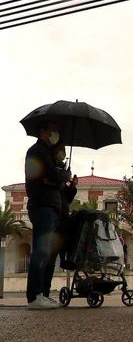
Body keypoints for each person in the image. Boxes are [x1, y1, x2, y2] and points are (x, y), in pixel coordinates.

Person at [24, 121, 71, 309]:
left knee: (47, 252)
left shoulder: (47, 154)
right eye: (51, 131)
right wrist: (62, 175)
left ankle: (42, 293)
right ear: (42, 131)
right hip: (42, 205)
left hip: (51, 206)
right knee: (41, 251)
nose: (54, 134)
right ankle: (34, 296)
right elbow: (51, 175)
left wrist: (61, 178)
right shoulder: (37, 151)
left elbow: (55, 181)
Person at [48, 141, 77, 293]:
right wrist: (63, 176)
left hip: (62, 213)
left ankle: (65, 258)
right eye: (61, 150)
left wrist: (71, 186)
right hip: (54, 213)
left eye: (64, 151)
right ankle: (42, 291)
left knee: (66, 239)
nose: (63, 153)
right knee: (49, 255)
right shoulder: (52, 168)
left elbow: (66, 197)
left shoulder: (62, 169)